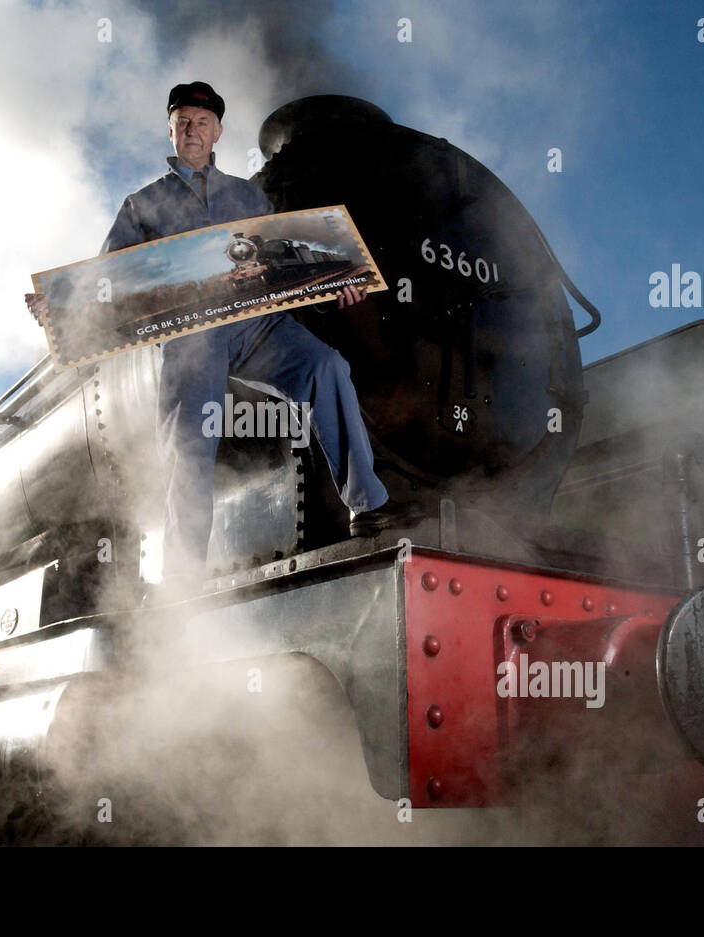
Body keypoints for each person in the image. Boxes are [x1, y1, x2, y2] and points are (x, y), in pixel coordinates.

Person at [34, 82, 420, 600]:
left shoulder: (247, 194)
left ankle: (367, 505)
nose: (192, 131)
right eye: (182, 121)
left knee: (326, 366)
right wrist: (57, 307)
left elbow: (284, 266)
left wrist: (336, 289)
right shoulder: (142, 205)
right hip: (193, 337)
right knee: (190, 444)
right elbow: (109, 276)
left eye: (202, 122)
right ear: (170, 129)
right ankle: (183, 578)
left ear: (218, 131)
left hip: (257, 325)